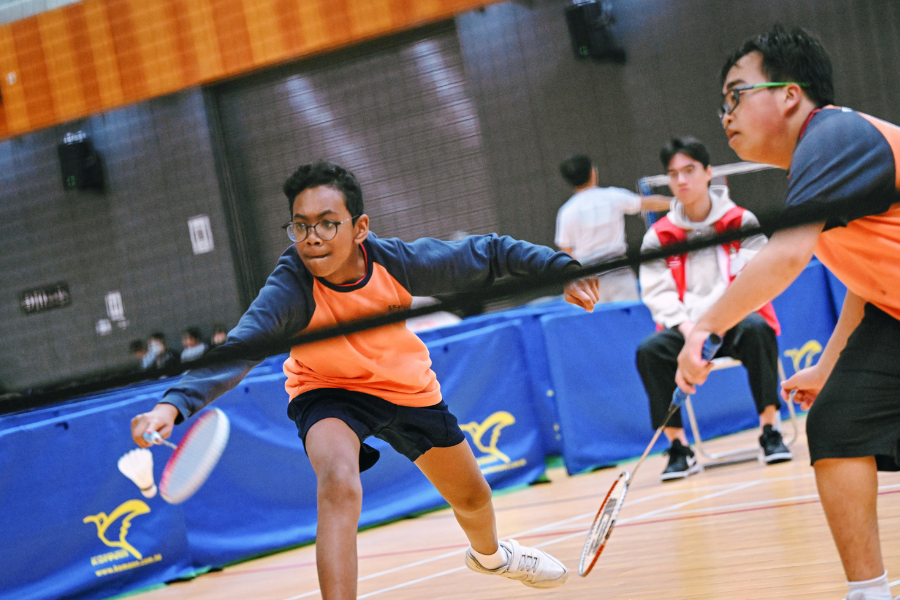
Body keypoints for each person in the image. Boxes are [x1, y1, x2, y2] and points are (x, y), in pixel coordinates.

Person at [130, 161, 601, 598]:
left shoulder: (395, 262)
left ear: (360, 228)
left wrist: (561, 268)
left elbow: (489, 253)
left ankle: (493, 558)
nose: (312, 237)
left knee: (473, 498)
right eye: (301, 225)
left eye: (327, 222)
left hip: (405, 388)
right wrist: (171, 404)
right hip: (326, 392)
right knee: (339, 481)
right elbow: (240, 348)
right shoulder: (291, 286)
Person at [676, 26, 900, 600]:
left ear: (789, 95)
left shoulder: (834, 135)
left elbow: (785, 256)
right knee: (840, 424)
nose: (725, 114)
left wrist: (706, 325)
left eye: (737, 94)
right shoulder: (816, 164)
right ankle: (871, 593)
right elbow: (869, 279)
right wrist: (828, 369)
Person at [637, 136, 791, 481]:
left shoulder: (740, 221)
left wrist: (720, 321)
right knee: (649, 352)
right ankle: (678, 448)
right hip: (686, 331)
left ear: (708, 173)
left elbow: (759, 277)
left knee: (758, 330)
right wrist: (691, 332)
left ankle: (770, 430)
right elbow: (657, 292)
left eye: (689, 170)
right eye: (673, 174)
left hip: (735, 320)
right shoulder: (658, 237)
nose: (682, 181)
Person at [555, 154, 672, 303]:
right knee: (632, 323)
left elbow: (566, 254)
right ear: (593, 172)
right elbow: (650, 203)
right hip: (619, 274)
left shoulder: (566, 212)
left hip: (588, 282)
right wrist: (679, 202)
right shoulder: (613, 196)